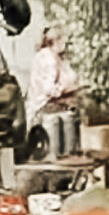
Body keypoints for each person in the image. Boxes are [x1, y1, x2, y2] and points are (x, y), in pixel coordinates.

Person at [26, 26, 81, 159]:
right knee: (67, 118)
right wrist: (71, 88)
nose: (67, 45)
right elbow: (49, 90)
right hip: (44, 106)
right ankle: (63, 157)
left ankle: (70, 155)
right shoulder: (47, 59)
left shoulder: (59, 58)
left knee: (73, 115)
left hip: (57, 104)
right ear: (54, 41)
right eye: (64, 41)